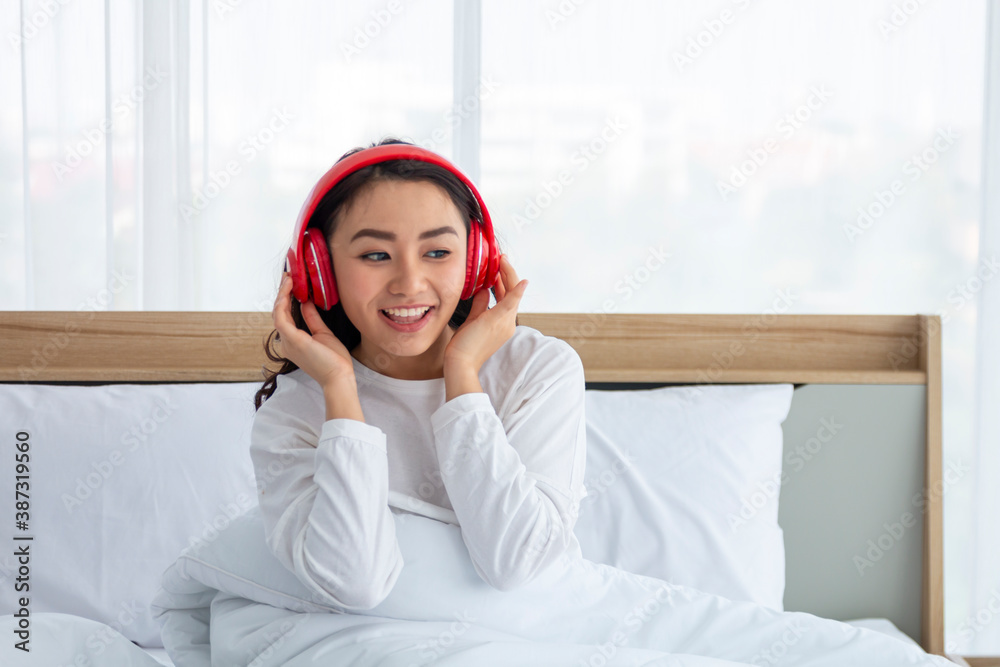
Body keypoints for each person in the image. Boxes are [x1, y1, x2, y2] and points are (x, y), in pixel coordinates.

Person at [249, 138, 955, 666]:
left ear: (477, 260)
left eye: (438, 252)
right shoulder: (300, 407)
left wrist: (464, 376)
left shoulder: (538, 369)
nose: (410, 282)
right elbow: (355, 583)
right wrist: (341, 393)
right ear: (318, 266)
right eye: (375, 255)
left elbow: (519, 565)